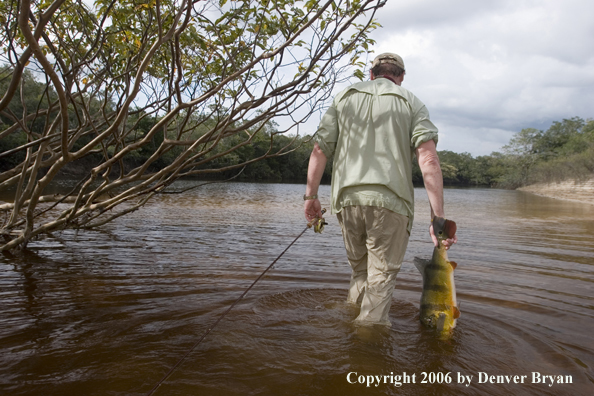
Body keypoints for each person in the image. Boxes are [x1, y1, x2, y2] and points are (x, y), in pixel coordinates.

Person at [303, 52, 457, 326]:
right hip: (391, 203)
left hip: (347, 201)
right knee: (381, 278)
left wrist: (311, 197)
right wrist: (438, 219)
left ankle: (349, 330)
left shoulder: (343, 97)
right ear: (400, 77)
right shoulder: (412, 102)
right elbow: (429, 159)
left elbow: (319, 149)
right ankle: (366, 349)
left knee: (360, 272)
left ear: (371, 74)